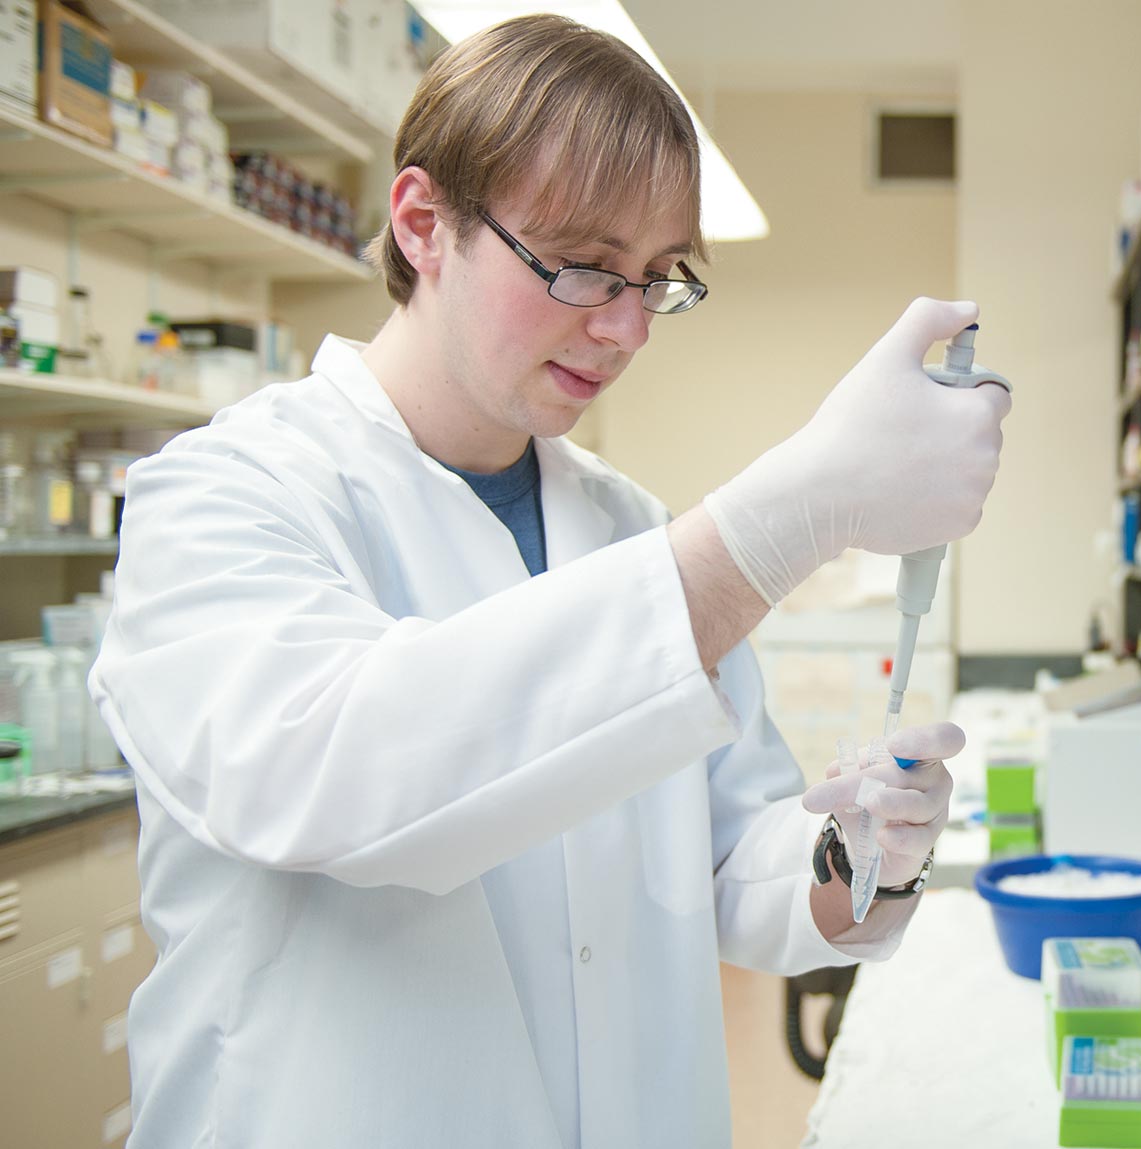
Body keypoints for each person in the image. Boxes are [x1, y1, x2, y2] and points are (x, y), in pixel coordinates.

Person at [88, 15, 1009, 1149]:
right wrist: (780, 523)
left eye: (658, 278)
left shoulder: (625, 526)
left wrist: (858, 855)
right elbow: (331, 778)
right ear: (423, 223)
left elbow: (728, 862)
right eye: (580, 266)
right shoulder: (224, 496)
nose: (623, 326)